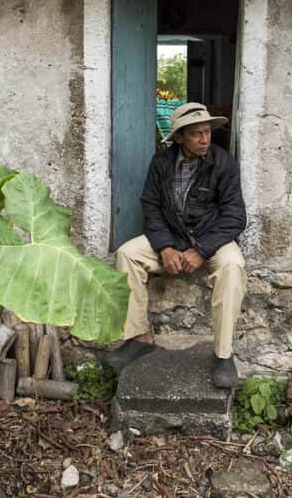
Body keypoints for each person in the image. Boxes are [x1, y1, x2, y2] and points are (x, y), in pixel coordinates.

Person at [101, 102, 247, 388]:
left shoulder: (224, 163)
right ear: (180, 137)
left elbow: (235, 217)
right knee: (128, 254)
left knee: (233, 266)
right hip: (172, 236)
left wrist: (202, 250)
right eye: (196, 134)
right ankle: (140, 337)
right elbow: (151, 206)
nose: (205, 139)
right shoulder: (162, 163)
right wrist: (165, 247)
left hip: (212, 238)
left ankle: (223, 354)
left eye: (207, 133)